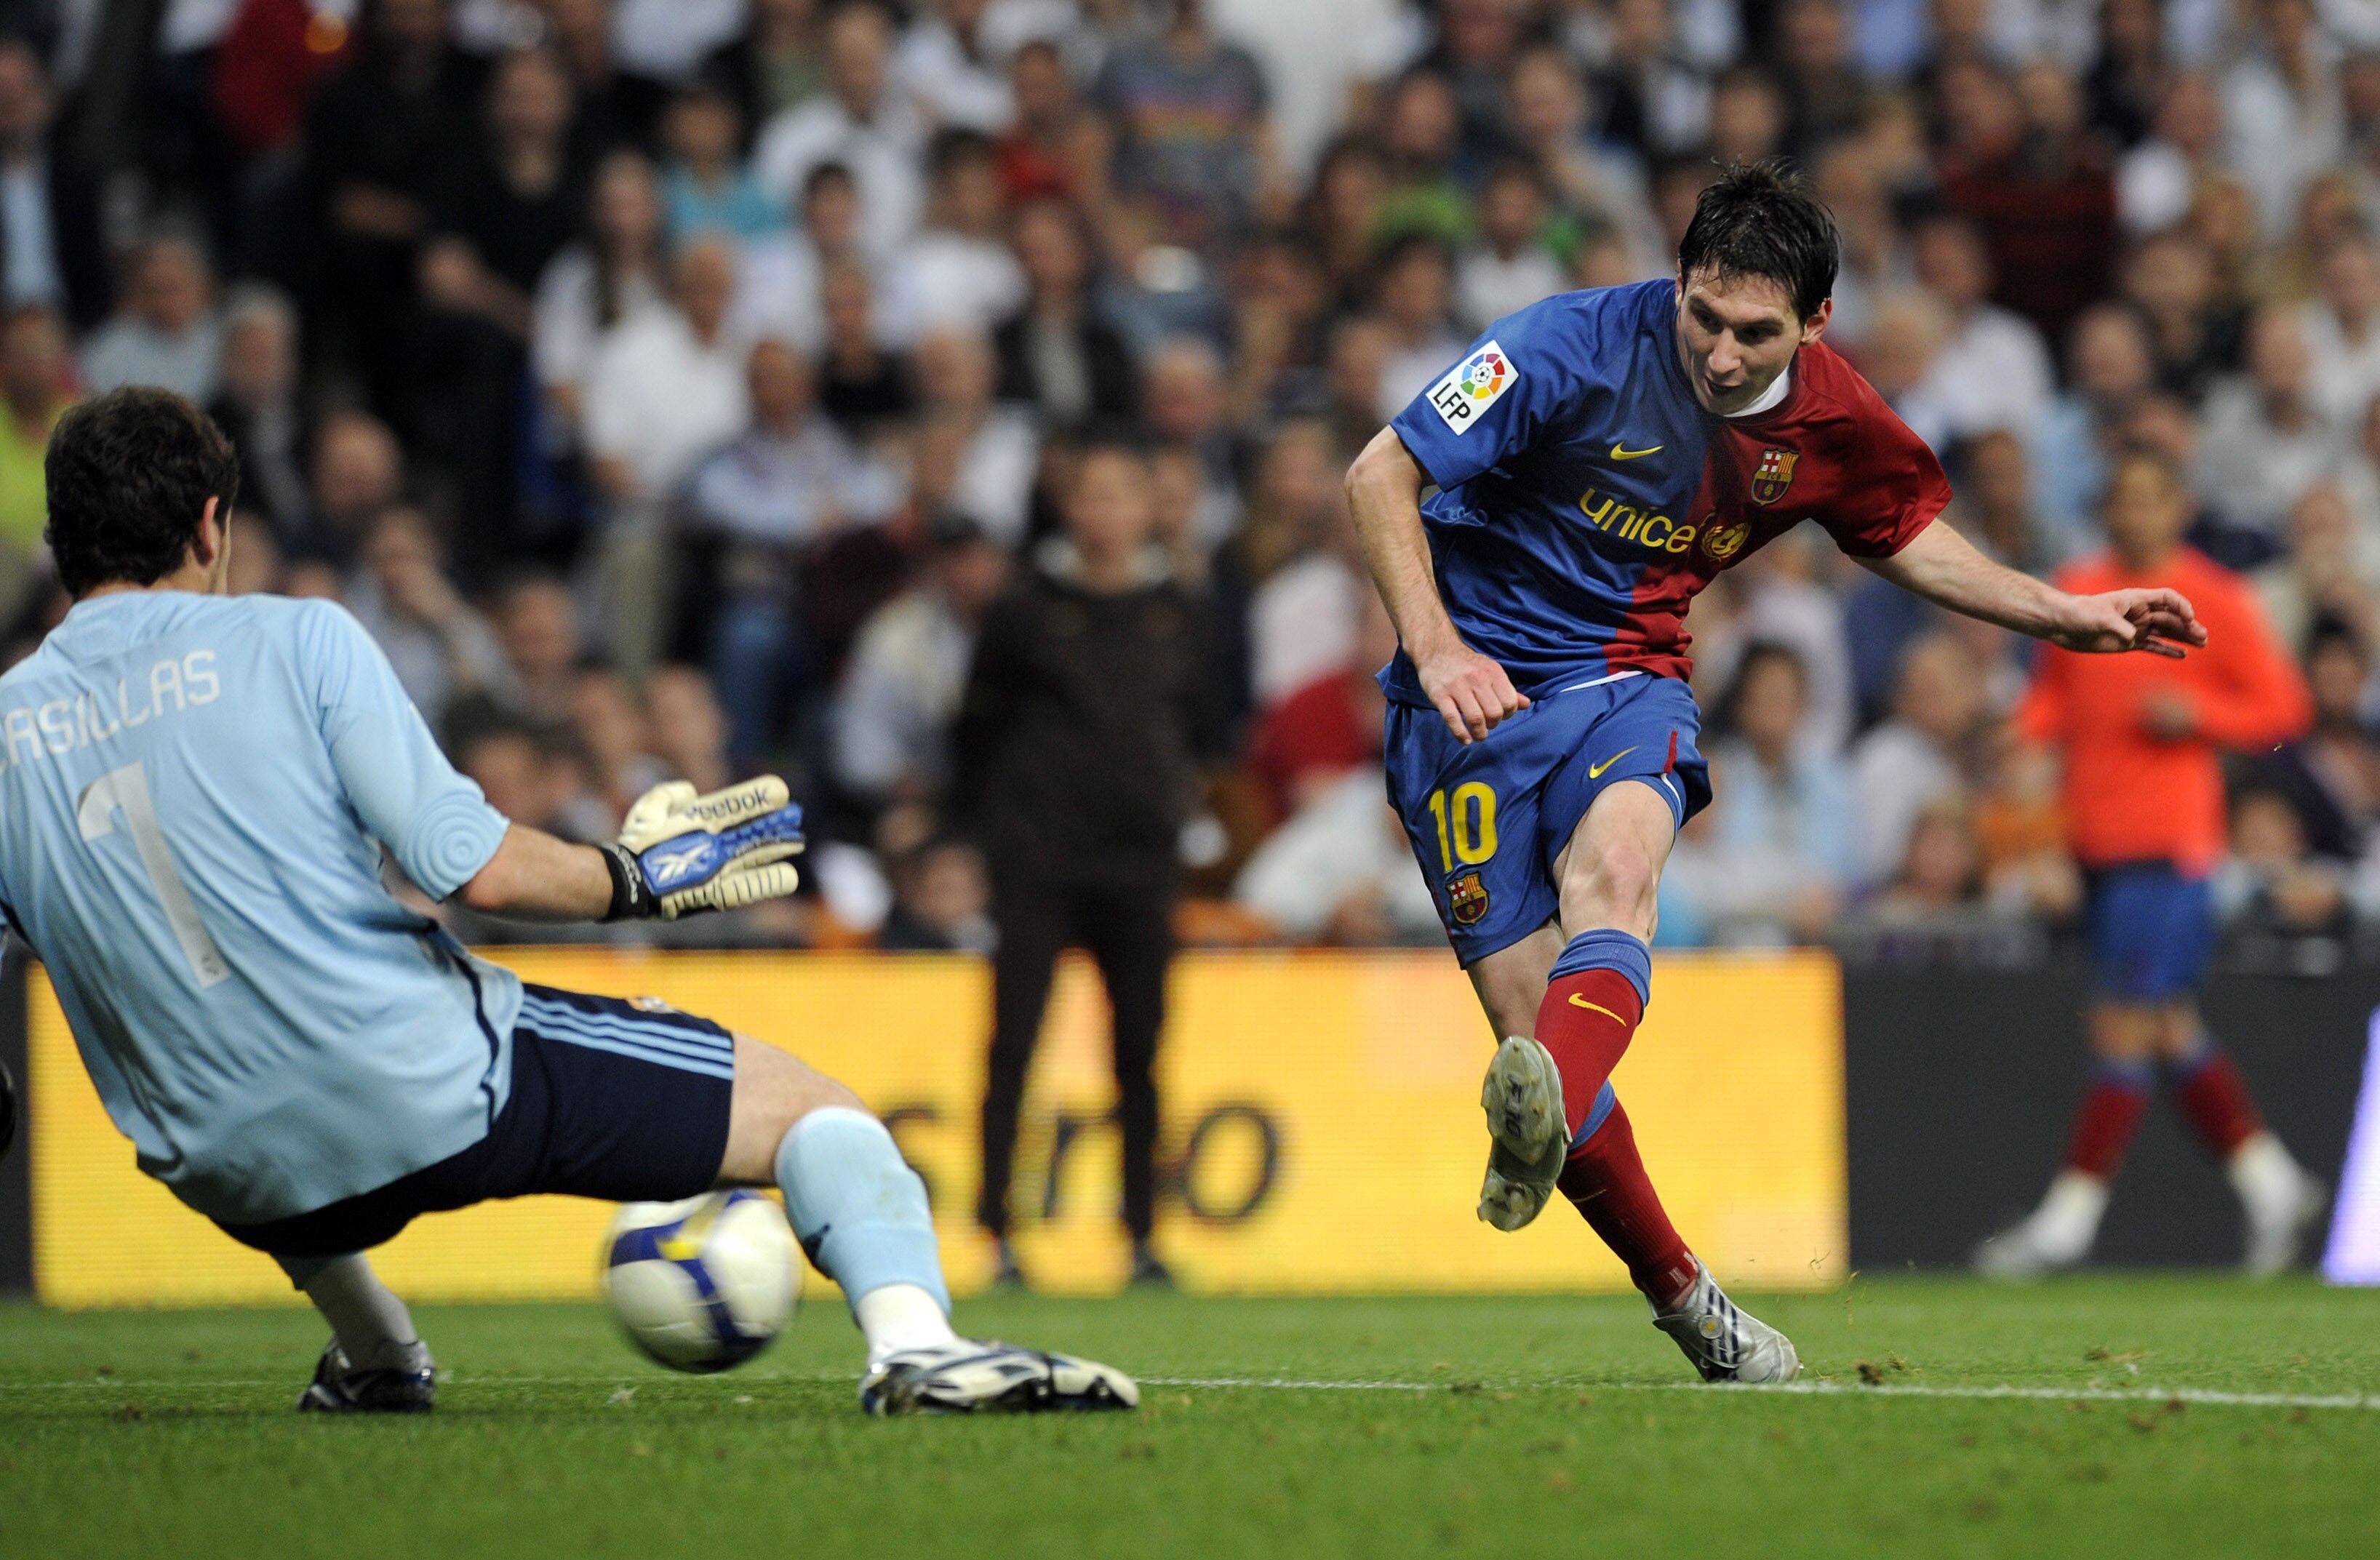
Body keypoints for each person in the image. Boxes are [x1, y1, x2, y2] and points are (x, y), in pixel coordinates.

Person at [0, 387, 1133, 1417]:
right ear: (212, 524)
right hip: (429, 1094)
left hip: (226, 1172)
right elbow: (472, 868)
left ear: (60, 545)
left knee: (252, 1089)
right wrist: (634, 875)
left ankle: (378, 1355)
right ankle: (916, 1345)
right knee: (820, 1117)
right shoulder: (296, 635)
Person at [1342, 159, 2208, 1384]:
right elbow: (1379, 470)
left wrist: (2059, 616)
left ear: (1815, 322)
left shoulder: (1837, 417)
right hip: (1462, 704)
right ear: (1679, 277)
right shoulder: (1560, 344)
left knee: (1620, 876)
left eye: (1755, 332)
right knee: (1530, 1024)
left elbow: (1902, 533)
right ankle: (1685, 1294)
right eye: (1703, 316)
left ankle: (1539, 1112)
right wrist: (1433, 646)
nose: (1721, 353)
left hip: (1620, 677)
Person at [1975, 449, 2327, 1279]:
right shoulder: (2079, 582)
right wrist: (2020, 738)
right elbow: (2053, 696)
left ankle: (2067, 1219)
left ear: (2177, 507)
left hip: (2171, 845)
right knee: (2166, 1025)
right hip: (2094, 843)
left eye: (2148, 499)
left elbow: (2284, 708)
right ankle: (2270, 1181)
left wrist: (2198, 712)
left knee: (2121, 1024)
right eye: (2121, 500)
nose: (2133, 515)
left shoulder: (2214, 597)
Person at [955, 439, 1218, 1289]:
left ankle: (1141, 1235)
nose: (1104, 512)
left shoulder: (1177, 609)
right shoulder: (1025, 609)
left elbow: (1206, 731)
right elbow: (976, 727)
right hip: (1037, 858)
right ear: (1068, 506)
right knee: (1013, 1045)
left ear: (1150, 506)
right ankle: (997, 1233)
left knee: (1140, 1050)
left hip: (1140, 863)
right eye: (1090, 494)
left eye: (1121, 494)